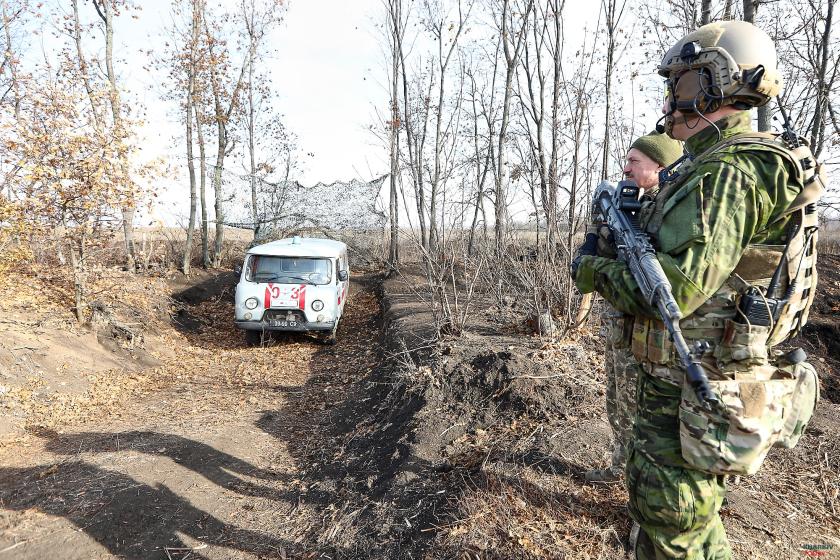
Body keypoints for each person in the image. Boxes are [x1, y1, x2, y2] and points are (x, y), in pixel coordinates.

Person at [573, 20, 823, 559]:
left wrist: (593, 272)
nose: (672, 98)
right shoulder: (709, 165)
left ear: (723, 84)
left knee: (675, 525)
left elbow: (674, 291)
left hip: (691, 384)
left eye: (684, 84)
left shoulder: (728, 172)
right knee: (679, 524)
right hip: (684, 380)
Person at [583, 132, 683, 484]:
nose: (625, 168)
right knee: (616, 402)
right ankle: (619, 467)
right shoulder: (629, 204)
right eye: (626, 161)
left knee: (640, 413)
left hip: (648, 334)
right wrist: (598, 234)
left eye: (634, 161)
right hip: (619, 324)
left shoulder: (668, 211)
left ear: (660, 166)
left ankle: (640, 490)